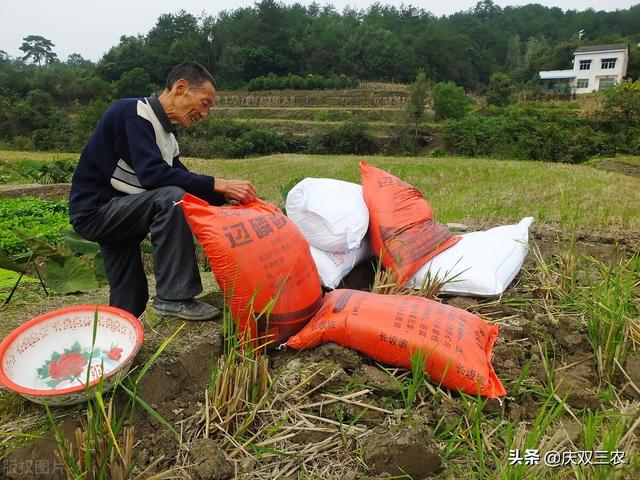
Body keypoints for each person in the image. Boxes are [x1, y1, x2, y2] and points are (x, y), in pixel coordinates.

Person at [69, 61, 256, 321]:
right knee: (171, 199)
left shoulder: (167, 137)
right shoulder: (133, 113)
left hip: (124, 213)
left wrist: (224, 196)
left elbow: (183, 178)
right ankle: (174, 297)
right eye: (205, 103)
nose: (205, 114)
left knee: (130, 298)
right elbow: (155, 175)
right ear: (181, 88)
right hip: (97, 211)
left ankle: (118, 344)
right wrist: (220, 183)